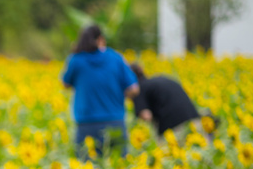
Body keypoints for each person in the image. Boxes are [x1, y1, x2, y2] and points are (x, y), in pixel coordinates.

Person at [61, 25, 139, 160]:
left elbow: (65, 83)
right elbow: (133, 88)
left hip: (86, 124)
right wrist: (117, 98)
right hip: (115, 121)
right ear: (101, 39)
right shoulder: (115, 58)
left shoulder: (76, 60)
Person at [129, 62, 218, 141]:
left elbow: (146, 116)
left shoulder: (138, 89)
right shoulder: (159, 79)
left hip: (175, 131)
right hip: (195, 122)